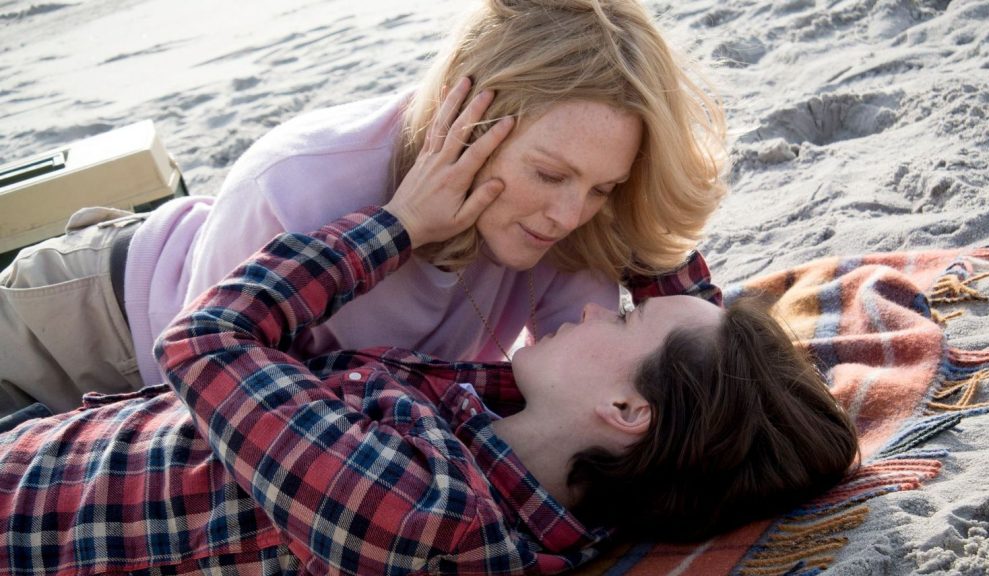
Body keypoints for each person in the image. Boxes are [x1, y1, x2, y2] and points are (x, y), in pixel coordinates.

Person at [0, 165, 858, 575]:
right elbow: (686, 304)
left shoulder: (422, 513)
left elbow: (206, 339)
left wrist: (403, 222)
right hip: (59, 432)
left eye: (627, 318)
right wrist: (612, 165)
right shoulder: (520, 450)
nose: (603, 306)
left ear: (627, 410)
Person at [0, 0, 728, 417]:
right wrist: (399, 231)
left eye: (603, 187)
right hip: (91, 319)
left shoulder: (572, 214)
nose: (569, 213)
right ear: (468, 120)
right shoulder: (297, 183)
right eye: (549, 174)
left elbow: (608, 379)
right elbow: (207, 388)